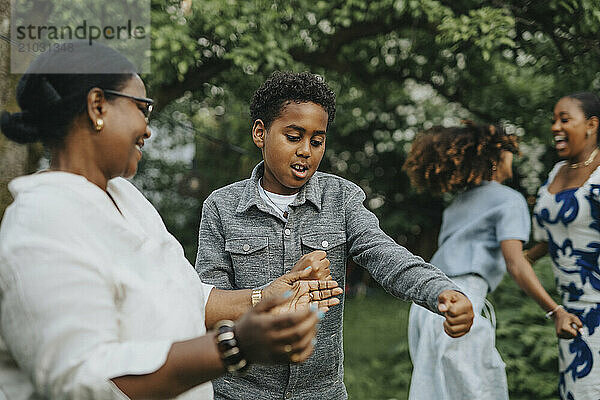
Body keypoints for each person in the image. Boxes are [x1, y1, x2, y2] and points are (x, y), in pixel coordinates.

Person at [0, 43, 344, 399]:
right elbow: (82, 380)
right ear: (97, 106)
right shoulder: (42, 224)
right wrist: (234, 347)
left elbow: (191, 298)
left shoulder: (126, 199)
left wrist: (269, 296)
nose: (147, 130)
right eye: (142, 108)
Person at [194, 71, 474, 400]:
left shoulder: (341, 198)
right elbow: (209, 304)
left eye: (317, 140)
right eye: (293, 136)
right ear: (260, 132)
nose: (306, 151)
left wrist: (439, 290)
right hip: (240, 392)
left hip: (322, 392)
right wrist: (271, 297)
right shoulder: (221, 207)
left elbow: (384, 253)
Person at [403, 123, 582, 400]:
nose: (514, 156)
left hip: (426, 304)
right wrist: (555, 310)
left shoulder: (458, 204)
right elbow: (514, 263)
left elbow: (505, 257)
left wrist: (540, 250)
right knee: (477, 391)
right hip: (461, 304)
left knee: (436, 390)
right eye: (510, 150)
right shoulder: (509, 200)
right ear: (496, 156)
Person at [526, 92, 600, 400]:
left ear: (591, 125)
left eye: (565, 119)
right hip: (569, 314)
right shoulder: (556, 172)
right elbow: (548, 238)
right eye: (553, 120)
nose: (556, 126)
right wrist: (516, 258)